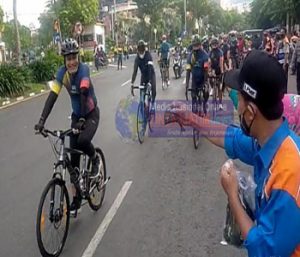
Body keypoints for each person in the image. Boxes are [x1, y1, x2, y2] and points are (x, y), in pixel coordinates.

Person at [167, 50, 300, 256]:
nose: (236, 108)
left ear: (251, 112)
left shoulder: (289, 172)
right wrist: (190, 118)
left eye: (239, 100)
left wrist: (232, 194)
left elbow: (264, 250)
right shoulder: (270, 142)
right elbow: (231, 137)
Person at [34, 38, 100, 216]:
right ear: (64, 60)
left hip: (91, 114)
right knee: (73, 162)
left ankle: (95, 159)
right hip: (77, 117)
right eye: (68, 58)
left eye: (73, 57)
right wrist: (42, 120)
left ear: (78, 57)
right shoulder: (62, 74)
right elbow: (52, 97)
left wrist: (82, 120)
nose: (71, 62)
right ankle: (77, 201)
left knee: (83, 140)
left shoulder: (84, 70)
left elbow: (84, 93)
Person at [185, 34, 209, 115]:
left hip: (203, 77)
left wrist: (205, 83)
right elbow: (188, 71)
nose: (195, 47)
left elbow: (206, 70)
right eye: (194, 45)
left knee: (206, 93)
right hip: (194, 80)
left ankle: (205, 104)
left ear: (200, 44)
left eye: (197, 45)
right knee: (193, 97)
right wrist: (186, 85)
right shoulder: (190, 56)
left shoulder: (205, 55)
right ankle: (194, 115)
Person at [131, 40, 156, 112]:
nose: (141, 52)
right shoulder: (137, 58)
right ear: (138, 50)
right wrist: (132, 83)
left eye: (142, 50)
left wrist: (150, 82)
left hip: (151, 74)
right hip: (144, 76)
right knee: (142, 95)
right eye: (139, 50)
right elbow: (135, 71)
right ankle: (143, 106)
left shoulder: (148, 56)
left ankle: (153, 104)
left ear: (144, 49)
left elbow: (150, 69)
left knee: (153, 90)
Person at [209, 37, 224, 110]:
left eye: (215, 44)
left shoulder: (220, 52)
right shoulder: (210, 52)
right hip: (213, 69)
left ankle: (220, 103)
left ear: (217, 44)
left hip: (219, 70)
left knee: (220, 88)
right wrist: (209, 70)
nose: (214, 46)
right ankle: (212, 88)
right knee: (210, 80)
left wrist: (222, 71)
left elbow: (221, 62)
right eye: (213, 44)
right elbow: (209, 62)